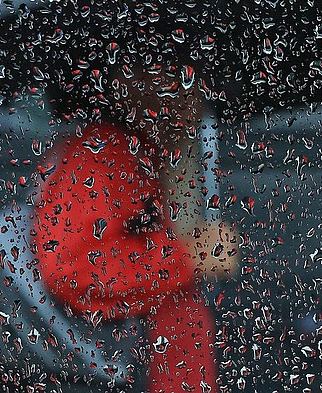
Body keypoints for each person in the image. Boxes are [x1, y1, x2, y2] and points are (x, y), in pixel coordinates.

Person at [33, 63, 237, 393]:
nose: (186, 94)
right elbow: (72, 267)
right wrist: (185, 257)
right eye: (167, 77)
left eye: (194, 79)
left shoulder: (150, 154)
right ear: (124, 83)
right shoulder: (102, 154)